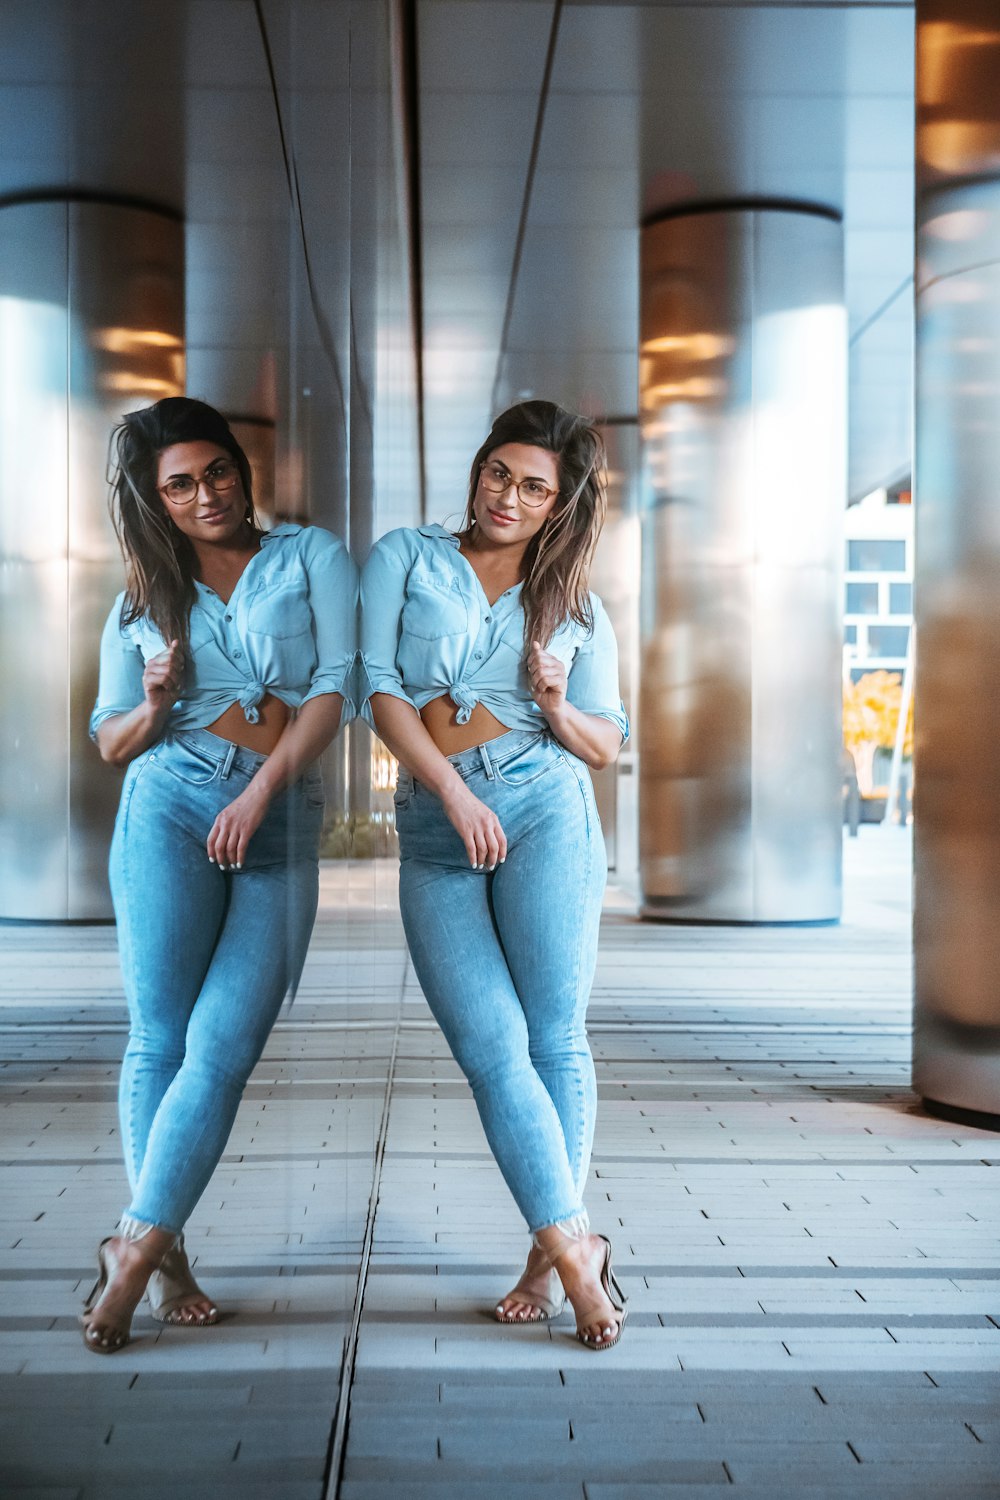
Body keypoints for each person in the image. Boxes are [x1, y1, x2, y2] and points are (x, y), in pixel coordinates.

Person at [82, 397, 354, 1353]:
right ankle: (163, 1258)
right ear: (159, 499)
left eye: (218, 472)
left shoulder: (311, 557)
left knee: (223, 1045)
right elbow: (113, 739)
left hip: (276, 817)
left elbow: (336, 688)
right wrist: (155, 700)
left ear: (245, 469)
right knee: (158, 1039)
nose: (205, 495)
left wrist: (263, 792)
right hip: (167, 800)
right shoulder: (144, 594)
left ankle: (132, 1244)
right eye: (180, 484)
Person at [360, 400, 629, 1349]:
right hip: (439, 826)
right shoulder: (406, 556)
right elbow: (378, 688)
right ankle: (579, 1249)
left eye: (534, 486)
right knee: (491, 1047)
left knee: (555, 1037)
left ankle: (551, 1253)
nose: (509, 496)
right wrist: (449, 793)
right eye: (499, 474)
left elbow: (605, 744)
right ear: (477, 471)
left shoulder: (575, 603)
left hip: (545, 803)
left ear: (558, 504)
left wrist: (555, 702)